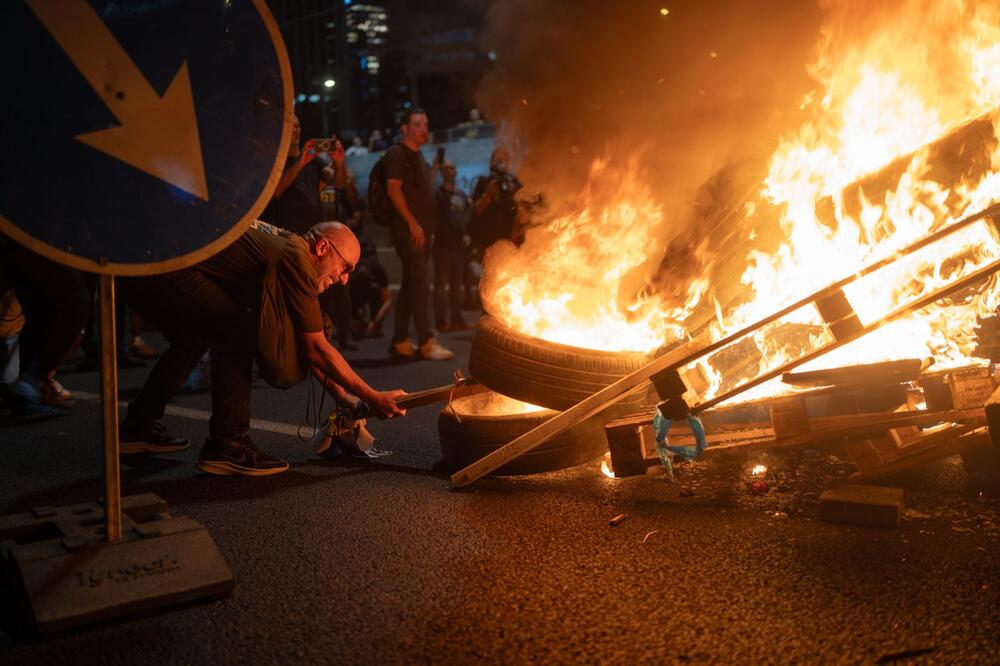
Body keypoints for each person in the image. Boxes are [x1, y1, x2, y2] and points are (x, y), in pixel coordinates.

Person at [119, 222, 405, 477]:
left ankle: (137, 426)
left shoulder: (288, 255)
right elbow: (316, 348)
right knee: (233, 331)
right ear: (322, 247)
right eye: (346, 268)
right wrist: (373, 396)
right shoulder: (299, 260)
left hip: (145, 262)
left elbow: (310, 347)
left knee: (199, 335)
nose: (344, 279)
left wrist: (346, 400)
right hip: (160, 266)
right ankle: (227, 444)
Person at [384, 108, 454, 361]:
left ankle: (400, 340)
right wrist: (414, 225)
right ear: (404, 128)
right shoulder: (396, 154)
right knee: (421, 285)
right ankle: (426, 341)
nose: (423, 129)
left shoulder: (420, 158)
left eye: (425, 124)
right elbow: (394, 191)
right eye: (417, 124)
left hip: (422, 233)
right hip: (409, 232)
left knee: (410, 285)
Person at [0, 235, 90, 408]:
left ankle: (30, 385)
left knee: (38, 313)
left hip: (23, 239)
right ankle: (33, 381)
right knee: (76, 305)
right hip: (38, 238)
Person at [433, 161, 473, 331]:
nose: (451, 171)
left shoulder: (462, 195)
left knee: (457, 286)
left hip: (458, 246)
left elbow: (467, 217)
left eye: (453, 168)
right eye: (447, 168)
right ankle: (442, 321)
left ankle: (457, 318)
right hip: (442, 245)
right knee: (441, 286)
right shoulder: (438, 193)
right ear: (442, 172)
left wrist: (467, 234)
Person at [470, 147, 522, 252]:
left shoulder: (514, 183)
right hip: (488, 240)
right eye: (497, 160)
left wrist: (515, 233)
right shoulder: (484, 181)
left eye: (503, 159)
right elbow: (477, 210)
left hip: (509, 239)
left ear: (508, 162)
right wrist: (488, 194)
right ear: (491, 162)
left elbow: (521, 211)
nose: (500, 163)